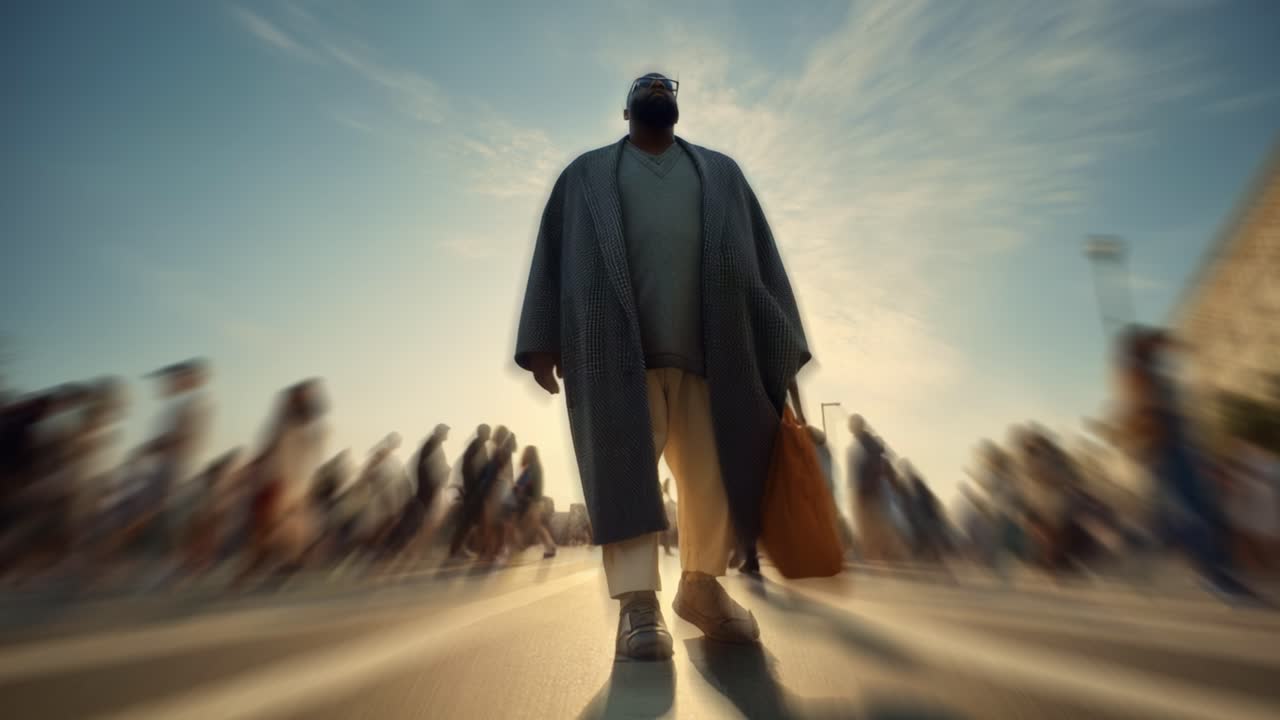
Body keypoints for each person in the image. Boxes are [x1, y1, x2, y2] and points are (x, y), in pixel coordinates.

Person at [515, 72, 811, 661]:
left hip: (716, 354)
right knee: (624, 476)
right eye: (645, 87)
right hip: (612, 353)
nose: (656, 89)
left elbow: (763, 262)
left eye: (666, 85)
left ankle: (701, 588)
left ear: (677, 105)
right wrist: (543, 339)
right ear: (625, 110)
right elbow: (551, 257)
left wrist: (779, 351)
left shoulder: (721, 173)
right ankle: (637, 606)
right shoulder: (585, 176)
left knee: (713, 479)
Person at [1113, 327, 1263, 604]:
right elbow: (1143, 417)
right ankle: (1215, 578)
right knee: (1193, 514)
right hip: (1164, 450)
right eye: (1152, 345)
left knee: (1177, 520)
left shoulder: (1154, 372)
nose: (1160, 349)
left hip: (1181, 447)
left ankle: (1132, 545)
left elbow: (1169, 347)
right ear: (1142, 349)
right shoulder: (1137, 374)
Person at [447, 424, 491, 560]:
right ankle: (460, 551)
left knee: (472, 522)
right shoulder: (476, 446)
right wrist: (473, 487)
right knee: (471, 522)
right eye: (488, 432)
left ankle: (461, 550)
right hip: (474, 491)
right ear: (483, 433)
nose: (489, 435)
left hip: (476, 490)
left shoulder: (479, 446)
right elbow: (468, 469)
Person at [512, 445, 557, 559]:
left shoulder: (532, 468)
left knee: (532, 525)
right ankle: (550, 546)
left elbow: (526, 483)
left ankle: (520, 546)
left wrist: (517, 488)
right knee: (537, 525)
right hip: (536, 501)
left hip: (532, 502)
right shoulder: (535, 466)